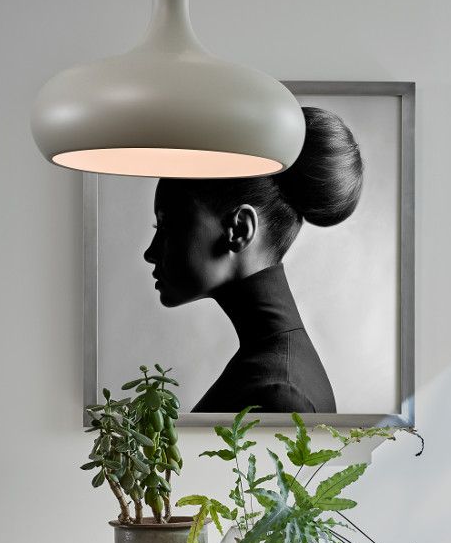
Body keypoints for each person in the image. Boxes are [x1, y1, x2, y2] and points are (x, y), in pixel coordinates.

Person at [142, 106, 362, 413]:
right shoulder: (272, 374)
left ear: (239, 229)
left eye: (167, 227)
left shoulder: (279, 393)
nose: (150, 252)